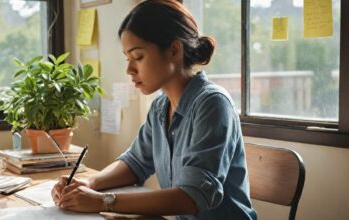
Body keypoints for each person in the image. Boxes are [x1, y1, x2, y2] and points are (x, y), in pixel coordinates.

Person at [51, 0, 257, 219]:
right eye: (127, 58)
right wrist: (89, 182)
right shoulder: (161, 106)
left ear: (174, 51)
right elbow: (135, 163)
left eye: (138, 57)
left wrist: (103, 201)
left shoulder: (212, 104)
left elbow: (192, 196)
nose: (129, 69)